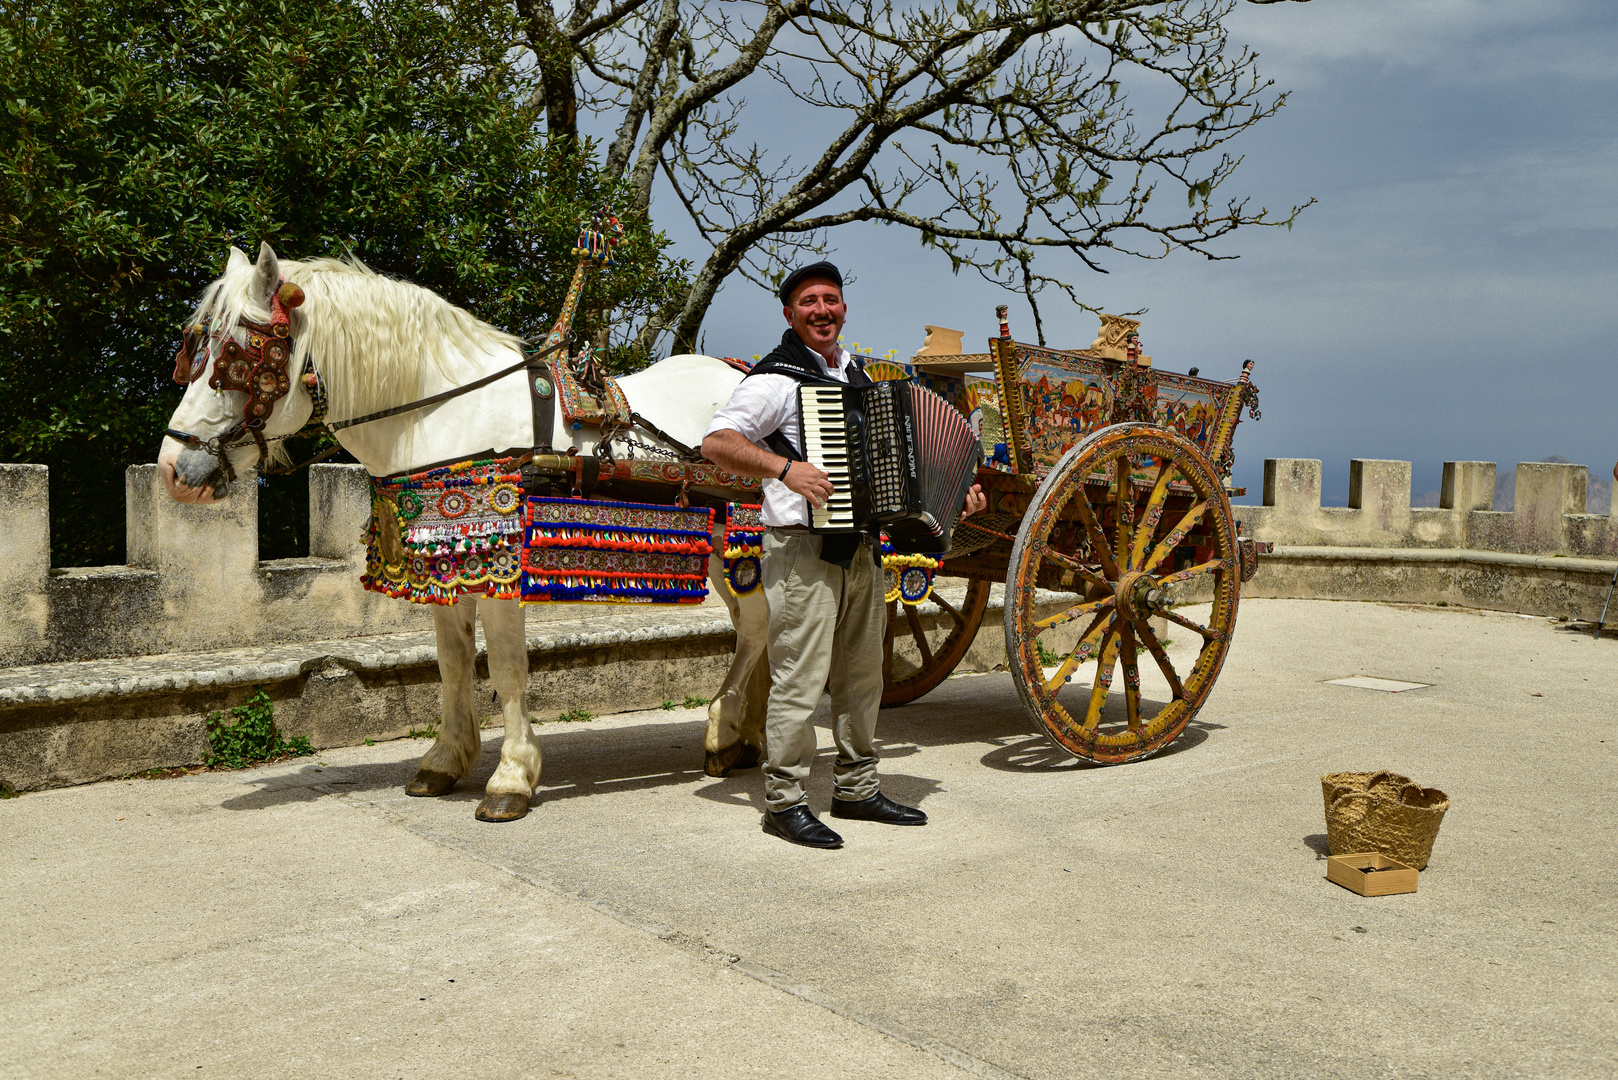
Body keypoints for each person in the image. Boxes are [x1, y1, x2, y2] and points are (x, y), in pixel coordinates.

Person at [700, 262, 986, 848]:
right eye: (809, 302)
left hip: (860, 545)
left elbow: (903, 468)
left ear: (844, 310)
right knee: (800, 679)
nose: (822, 311)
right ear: (790, 315)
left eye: (831, 300)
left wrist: (956, 494)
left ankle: (856, 789)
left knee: (860, 676)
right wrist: (785, 468)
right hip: (801, 547)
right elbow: (717, 442)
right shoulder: (774, 379)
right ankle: (783, 801)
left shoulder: (859, 378)